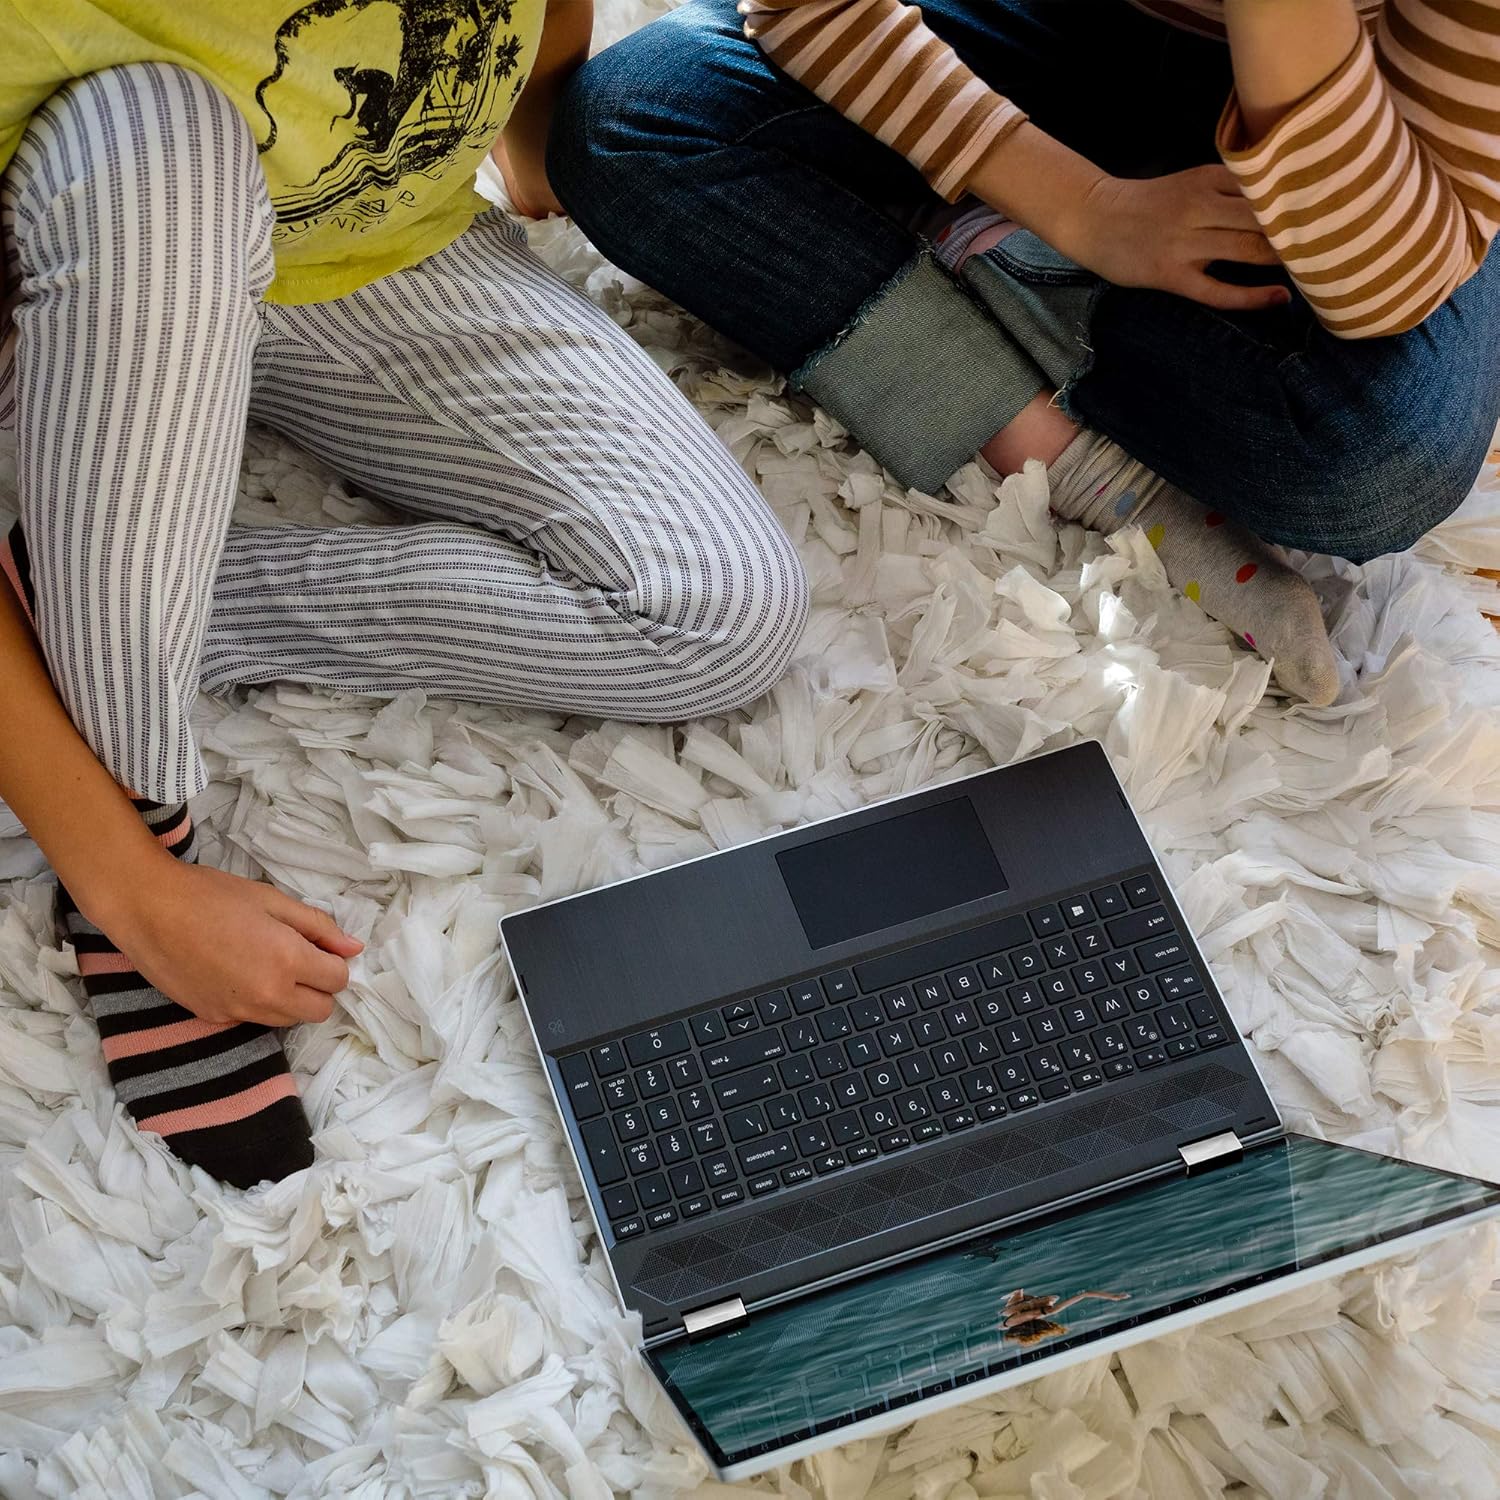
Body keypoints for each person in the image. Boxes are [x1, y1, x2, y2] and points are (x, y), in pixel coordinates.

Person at [0, 0, 808, 1188]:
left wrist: (534, 125)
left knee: (718, 612)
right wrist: (136, 889)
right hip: (97, 272)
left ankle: (111, 599)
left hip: (390, 257)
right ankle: (137, 783)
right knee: (157, 126)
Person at [547, 0, 1500, 706]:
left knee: (1377, 466)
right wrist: (1082, 207)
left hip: (1378, 119)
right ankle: (1078, 460)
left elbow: (1392, 283)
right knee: (629, 120)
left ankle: (958, 249)